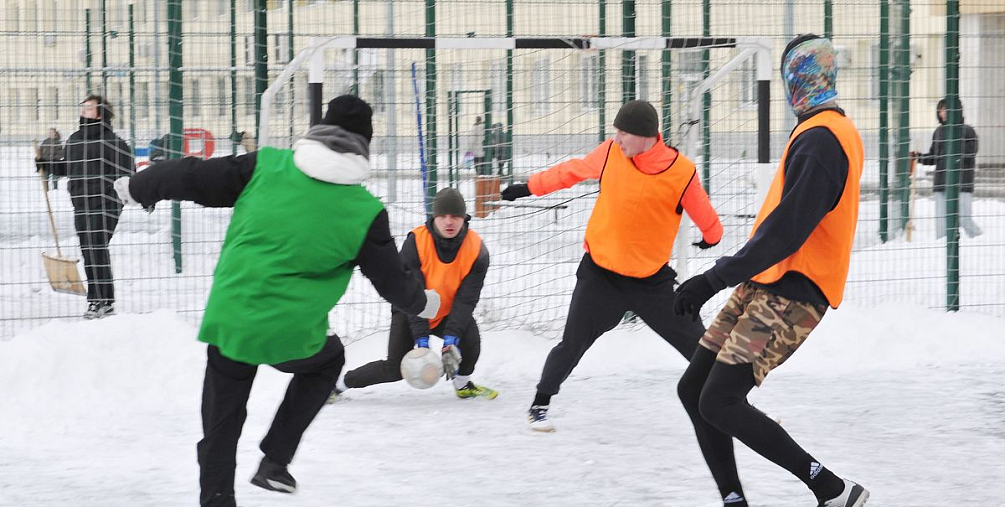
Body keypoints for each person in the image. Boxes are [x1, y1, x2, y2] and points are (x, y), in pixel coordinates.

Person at [114, 95, 441, 507]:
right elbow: (392, 284)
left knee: (222, 421)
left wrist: (139, 186)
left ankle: (216, 497)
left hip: (232, 318)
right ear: (364, 146)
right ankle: (275, 461)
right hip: (292, 333)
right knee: (327, 363)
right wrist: (424, 303)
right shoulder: (365, 211)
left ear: (318, 131)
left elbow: (192, 175)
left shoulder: (264, 166)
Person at [673, 35, 869, 507]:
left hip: (793, 293)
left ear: (797, 80)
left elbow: (786, 233)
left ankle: (832, 489)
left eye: (791, 75)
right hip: (767, 281)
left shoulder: (823, 139)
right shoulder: (820, 131)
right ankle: (734, 499)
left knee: (719, 400)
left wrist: (712, 279)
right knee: (694, 389)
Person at [500, 99, 723, 432]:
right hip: (600, 276)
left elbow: (704, 212)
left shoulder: (681, 172)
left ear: (646, 136)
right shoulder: (610, 153)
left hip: (651, 282)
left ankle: (735, 404)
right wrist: (529, 187)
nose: (617, 139)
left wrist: (711, 237)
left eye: (624, 134)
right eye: (616, 133)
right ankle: (540, 403)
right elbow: (570, 172)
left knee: (698, 345)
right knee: (572, 343)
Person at [331, 187, 497, 401]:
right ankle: (336, 386)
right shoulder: (416, 242)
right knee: (394, 368)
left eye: (455, 216)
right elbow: (410, 292)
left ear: (463, 217)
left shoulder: (477, 249)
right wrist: (422, 339)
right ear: (434, 217)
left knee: (471, 341)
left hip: (446, 311)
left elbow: (467, 299)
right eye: (443, 216)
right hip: (409, 307)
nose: (449, 222)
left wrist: (451, 338)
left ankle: (463, 385)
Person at [43, 95, 134, 319]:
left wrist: (126, 196)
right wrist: (46, 164)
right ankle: (99, 301)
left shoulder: (115, 143)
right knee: (88, 250)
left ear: (101, 113)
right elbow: (68, 168)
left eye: (89, 107)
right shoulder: (74, 140)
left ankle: (102, 301)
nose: (83, 109)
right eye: (83, 106)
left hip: (106, 203)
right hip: (81, 203)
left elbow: (129, 174)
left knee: (96, 247)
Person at [911, 97, 981, 239]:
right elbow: (934, 157)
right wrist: (918, 157)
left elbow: (971, 151)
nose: (943, 113)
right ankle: (942, 247)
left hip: (962, 183)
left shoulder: (968, 131)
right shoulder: (938, 132)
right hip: (942, 183)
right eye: (941, 110)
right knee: (941, 225)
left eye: (946, 110)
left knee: (965, 219)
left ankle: (981, 241)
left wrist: (951, 146)